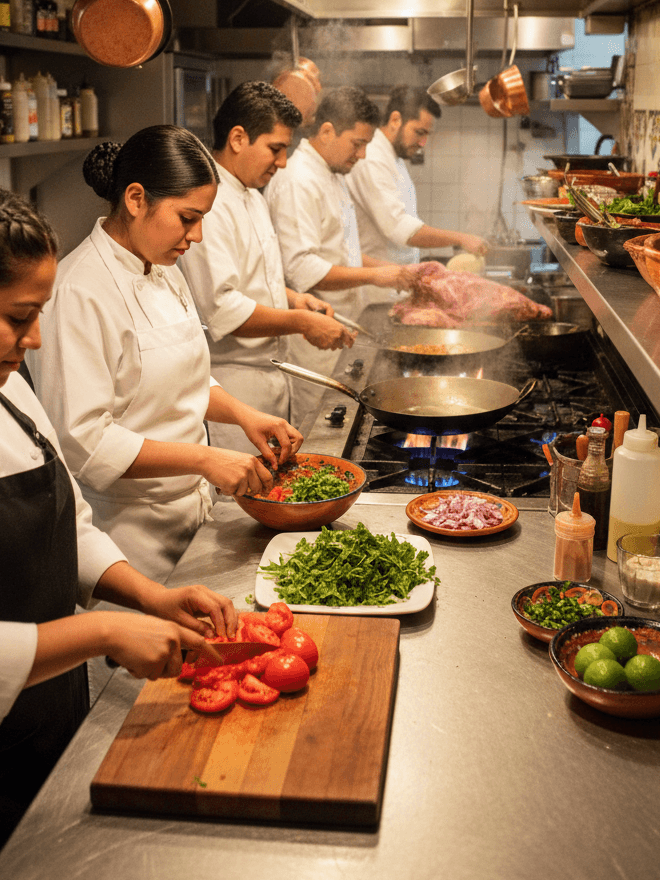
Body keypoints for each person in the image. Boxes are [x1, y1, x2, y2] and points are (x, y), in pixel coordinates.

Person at [0, 181, 237, 880]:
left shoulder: (3, 386)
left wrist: (146, 595)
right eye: (19, 318)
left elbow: (68, 523)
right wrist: (99, 631)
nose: (34, 342)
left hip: (49, 728)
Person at [30, 125, 301, 581]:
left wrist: (244, 415)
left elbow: (180, 378)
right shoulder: (77, 290)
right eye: (187, 217)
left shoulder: (162, 266)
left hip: (194, 516)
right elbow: (85, 444)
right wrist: (205, 459)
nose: (196, 236)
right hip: (129, 535)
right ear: (135, 200)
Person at [180, 81, 355, 449]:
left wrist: (293, 299)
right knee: (239, 502)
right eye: (275, 149)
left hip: (271, 377)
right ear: (238, 138)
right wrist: (301, 322)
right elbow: (223, 309)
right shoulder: (209, 203)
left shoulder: (251, 195)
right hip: (235, 386)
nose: (283, 162)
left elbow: (254, 278)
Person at [267, 86, 411, 422]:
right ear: (328, 131)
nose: (361, 155)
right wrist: (378, 275)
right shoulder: (297, 180)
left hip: (343, 330)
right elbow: (303, 268)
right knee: (320, 435)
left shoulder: (331, 173)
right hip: (313, 346)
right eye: (357, 144)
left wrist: (394, 271)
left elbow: (343, 253)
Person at [346, 87, 488, 287]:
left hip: (396, 281)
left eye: (427, 134)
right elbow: (400, 227)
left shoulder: (393, 157)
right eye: (419, 132)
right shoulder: (372, 159)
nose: (423, 143)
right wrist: (461, 238)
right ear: (395, 120)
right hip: (377, 288)